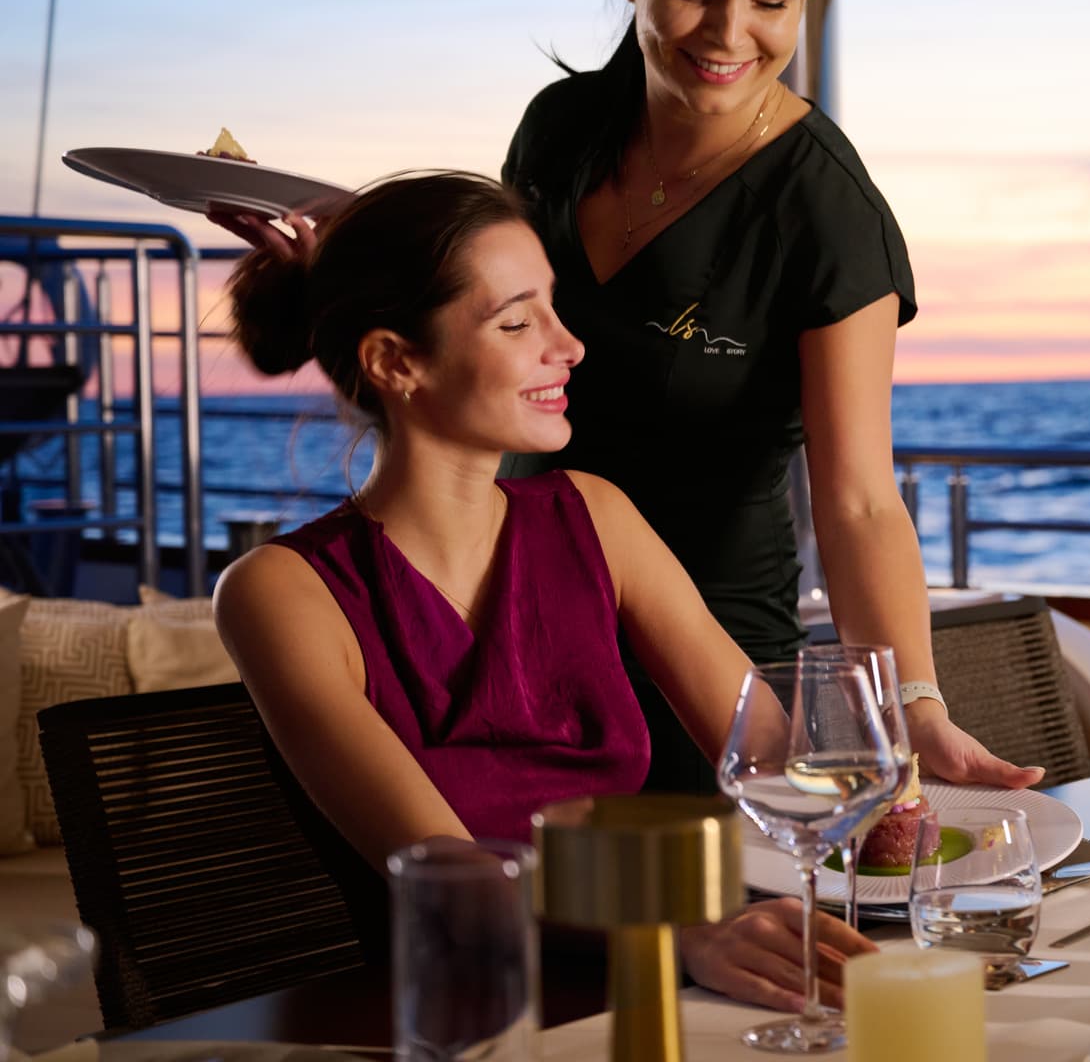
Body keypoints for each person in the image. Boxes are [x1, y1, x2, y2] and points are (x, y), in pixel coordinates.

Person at [219, 0, 1038, 796]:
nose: (729, 34)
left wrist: (913, 705)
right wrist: (346, 264)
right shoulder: (561, 130)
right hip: (512, 610)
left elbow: (859, 500)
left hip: (705, 652)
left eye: (770, 0)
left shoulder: (825, 210)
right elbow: (477, 322)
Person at [213, 171, 872, 1012]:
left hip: (643, 983)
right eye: (518, 322)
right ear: (395, 362)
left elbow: (770, 754)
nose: (570, 346)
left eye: (553, 308)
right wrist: (679, 931)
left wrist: (890, 801)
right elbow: (449, 877)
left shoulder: (595, 516)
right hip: (449, 1012)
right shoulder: (280, 591)